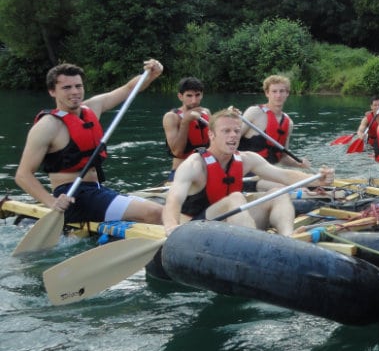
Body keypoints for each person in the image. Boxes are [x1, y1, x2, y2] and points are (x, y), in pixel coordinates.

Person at [14, 60, 166, 225]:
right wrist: (51, 202)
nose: (75, 92)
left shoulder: (92, 108)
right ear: (52, 91)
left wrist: (150, 75)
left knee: (161, 211)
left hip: (96, 191)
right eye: (66, 88)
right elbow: (23, 175)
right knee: (157, 213)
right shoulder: (47, 126)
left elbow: (129, 89)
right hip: (74, 197)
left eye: (78, 86)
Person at [162, 109, 335, 236]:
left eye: (237, 131)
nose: (233, 136)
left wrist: (318, 180)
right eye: (226, 131)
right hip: (198, 227)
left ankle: (288, 238)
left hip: (235, 225)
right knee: (236, 198)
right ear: (212, 135)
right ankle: (257, 243)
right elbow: (173, 199)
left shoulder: (246, 158)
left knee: (278, 193)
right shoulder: (194, 164)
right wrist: (171, 226)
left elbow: (285, 176)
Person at [239, 75, 309, 169]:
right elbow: (233, 140)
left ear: (287, 93)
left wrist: (299, 164)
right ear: (267, 93)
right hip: (247, 169)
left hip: (270, 172)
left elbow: (282, 157)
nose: (278, 95)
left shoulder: (289, 123)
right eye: (274, 91)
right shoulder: (254, 112)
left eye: (282, 91)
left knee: (307, 180)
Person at [162, 76, 211, 178]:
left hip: (206, 168)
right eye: (189, 96)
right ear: (180, 96)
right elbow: (177, 152)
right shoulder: (171, 117)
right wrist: (185, 122)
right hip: (181, 172)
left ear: (202, 95)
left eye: (197, 95)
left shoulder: (206, 112)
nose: (194, 101)